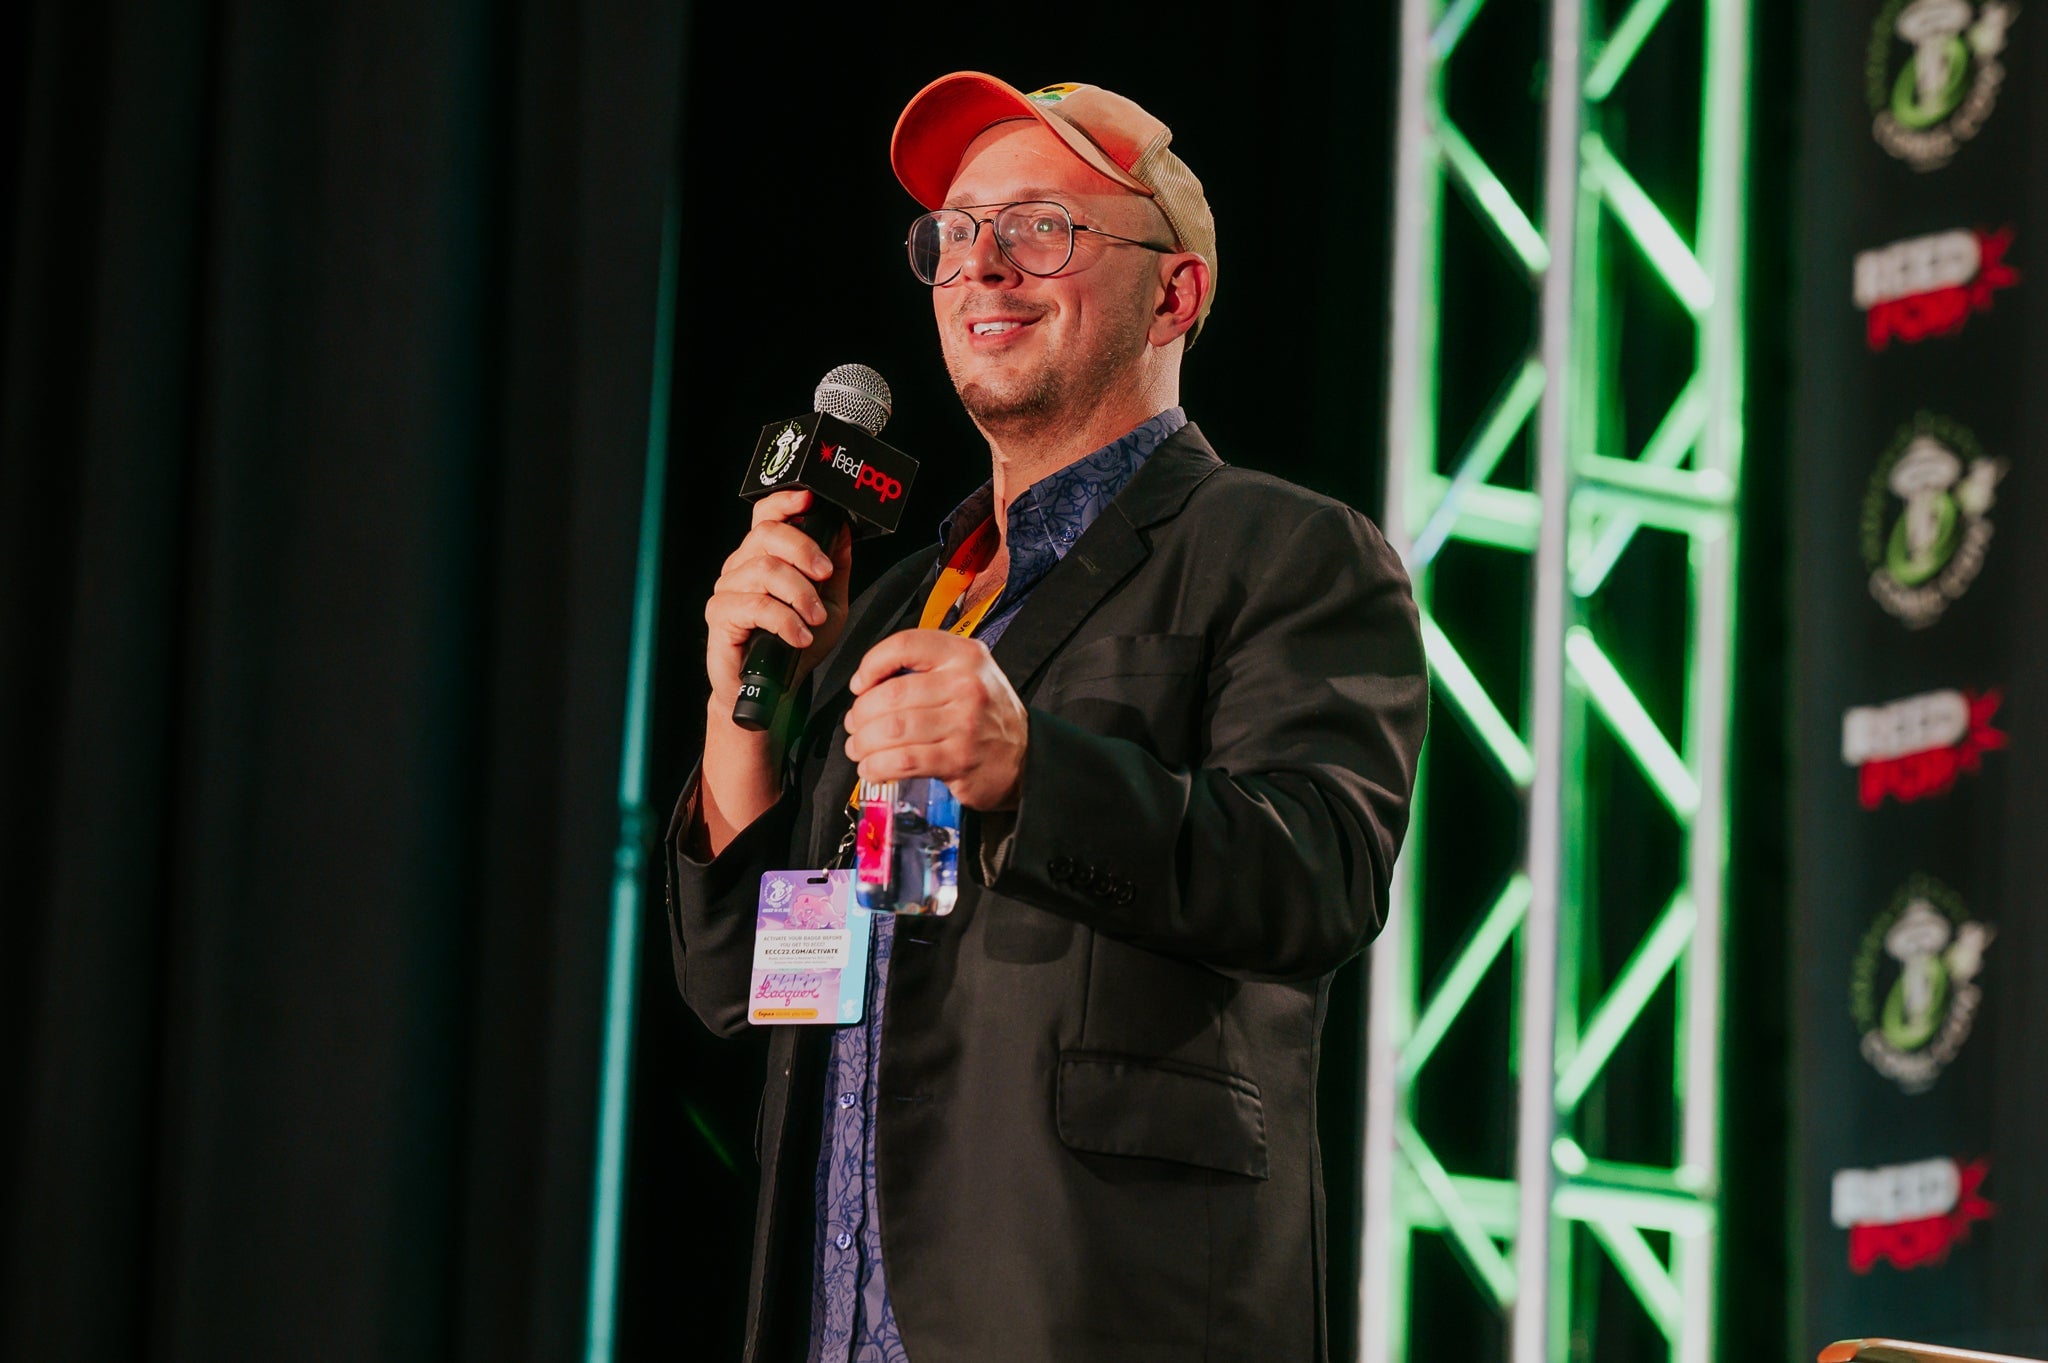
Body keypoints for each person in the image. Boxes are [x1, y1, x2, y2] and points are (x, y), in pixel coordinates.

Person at [667, 71, 1428, 1363]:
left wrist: (1030, 769)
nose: (983, 269)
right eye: (956, 236)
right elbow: (751, 987)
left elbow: (1321, 878)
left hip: (1092, 1312)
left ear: (1173, 295)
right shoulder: (909, 602)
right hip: (837, 1319)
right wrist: (747, 708)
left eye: (1042, 230)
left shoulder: (1286, 554)